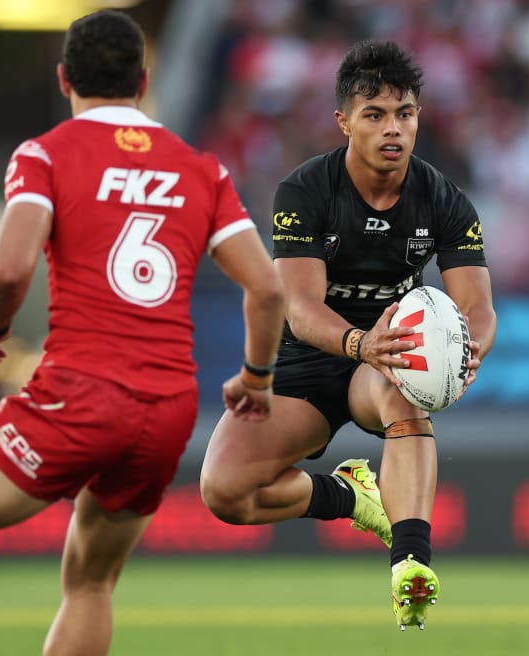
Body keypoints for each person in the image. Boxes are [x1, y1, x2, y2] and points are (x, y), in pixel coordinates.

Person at [0, 10, 284, 656]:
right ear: (144, 81)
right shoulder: (201, 169)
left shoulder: (46, 153)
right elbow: (267, 289)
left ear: (65, 79)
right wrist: (257, 377)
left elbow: (11, 267)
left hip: (79, 393)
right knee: (92, 585)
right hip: (166, 409)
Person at [200, 39, 496, 630]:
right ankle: (351, 497)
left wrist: (469, 352)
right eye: (375, 114)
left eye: (405, 114)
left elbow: (478, 308)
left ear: (419, 118)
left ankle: (411, 562)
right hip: (307, 363)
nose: (394, 129)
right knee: (224, 493)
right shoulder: (304, 192)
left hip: (380, 367)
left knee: (402, 389)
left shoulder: (443, 199)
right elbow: (301, 308)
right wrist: (362, 342)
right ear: (344, 122)